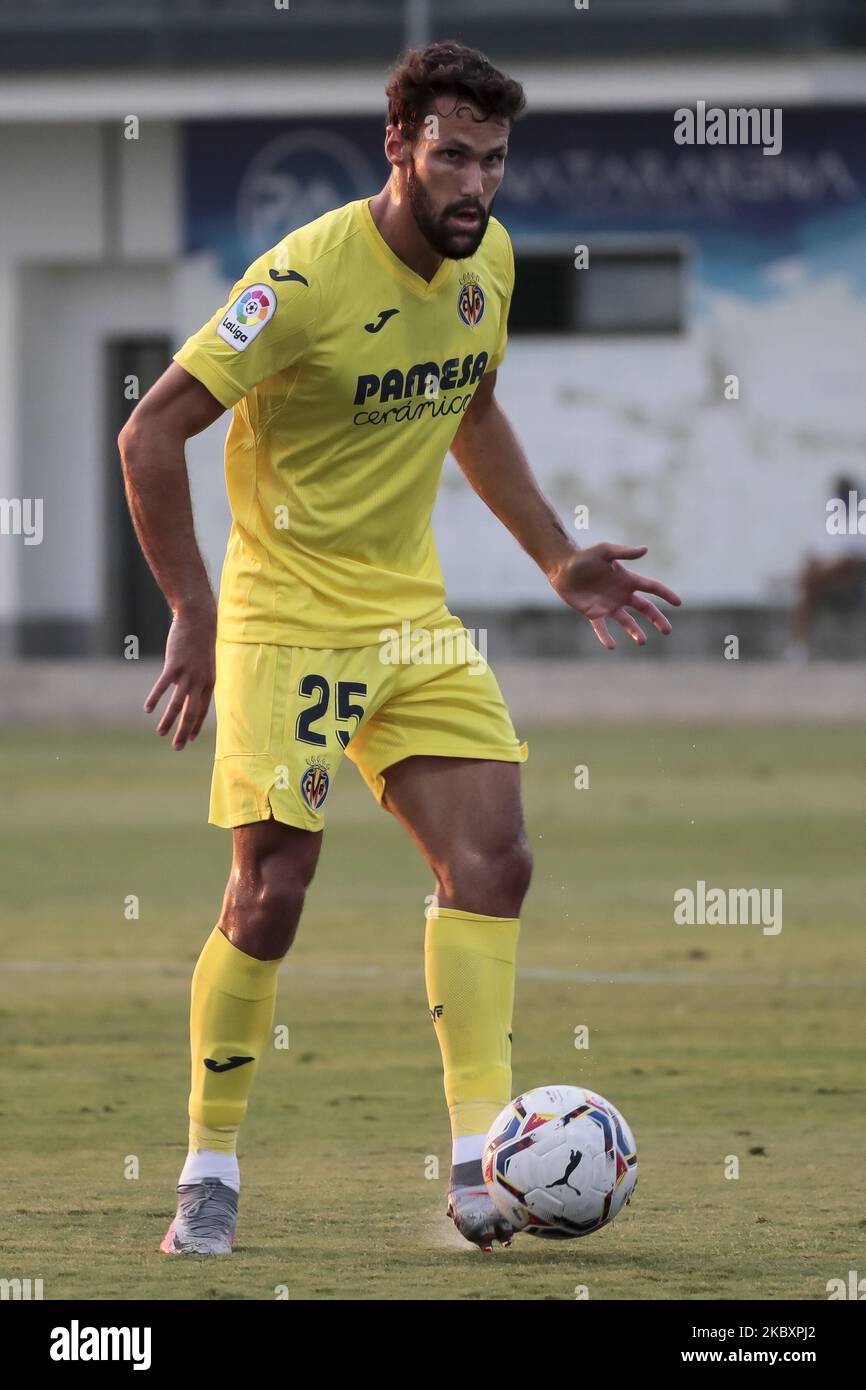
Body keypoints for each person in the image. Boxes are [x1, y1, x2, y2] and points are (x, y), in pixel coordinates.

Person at [118, 40, 681, 1257]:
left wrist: (557, 557)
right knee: (270, 895)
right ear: (398, 148)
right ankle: (208, 1172)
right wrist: (194, 607)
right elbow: (150, 431)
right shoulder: (305, 278)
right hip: (287, 618)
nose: (474, 184)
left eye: (492, 161)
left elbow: (471, 406)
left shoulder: (490, 269)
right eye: (452, 157)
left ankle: (481, 1159)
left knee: (495, 862)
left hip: (410, 621)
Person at [788, 477, 866, 659]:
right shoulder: (826, 522)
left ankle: (798, 646)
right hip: (825, 584)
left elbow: (858, 560)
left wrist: (834, 566)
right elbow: (813, 555)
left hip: (852, 583)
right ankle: (798, 647)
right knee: (807, 587)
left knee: (831, 570)